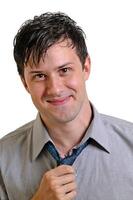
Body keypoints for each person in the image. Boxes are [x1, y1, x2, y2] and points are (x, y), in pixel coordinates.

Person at [0, 11, 133, 200]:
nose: (54, 89)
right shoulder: (3, 159)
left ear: (85, 67)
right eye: (39, 76)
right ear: (24, 83)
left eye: (64, 70)